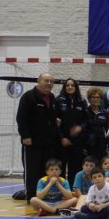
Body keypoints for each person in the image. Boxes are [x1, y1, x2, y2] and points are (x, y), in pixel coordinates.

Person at [16, 73, 58, 202]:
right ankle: (31, 197)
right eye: (46, 80)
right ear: (38, 81)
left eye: (51, 81)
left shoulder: (52, 98)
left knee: (44, 171)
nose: (49, 83)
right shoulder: (28, 97)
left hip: (48, 142)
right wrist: (25, 136)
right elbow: (21, 118)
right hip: (32, 142)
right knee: (31, 170)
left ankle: (43, 196)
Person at [55, 78, 88, 180]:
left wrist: (80, 127)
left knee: (75, 167)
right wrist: (62, 138)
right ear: (64, 87)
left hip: (77, 142)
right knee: (60, 167)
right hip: (62, 141)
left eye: (72, 85)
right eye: (67, 85)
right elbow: (55, 122)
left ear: (76, 87)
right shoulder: (58, 100)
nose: (70, 87)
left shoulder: (81, 101)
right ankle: (60, 190)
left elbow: (86, 120)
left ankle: (73, 191)